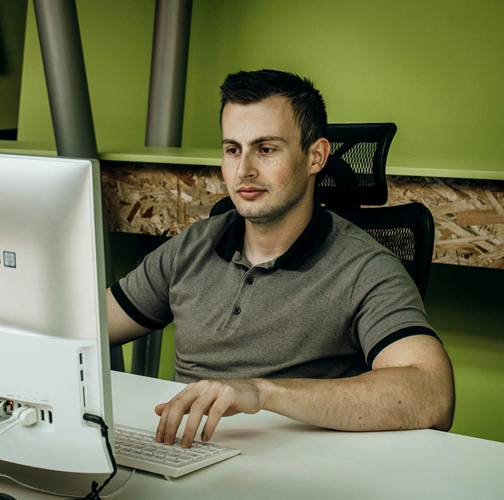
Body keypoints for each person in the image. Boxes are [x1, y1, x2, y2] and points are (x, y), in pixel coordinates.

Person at [107, 69, 455, 449]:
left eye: (266, 149)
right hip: (181, 453)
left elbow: (433, 394)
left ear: (316, 156)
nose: (244, 170)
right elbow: (84, 325)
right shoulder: (193, 246)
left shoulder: (365, 269)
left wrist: (262, 392)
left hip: (295, 465)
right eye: (233, 149)